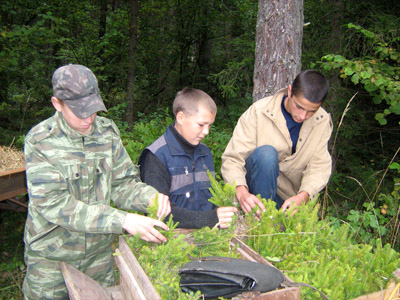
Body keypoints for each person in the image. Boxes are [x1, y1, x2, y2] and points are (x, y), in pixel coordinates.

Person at [22, 64, 171, 300]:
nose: (88, 118)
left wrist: (149, 196)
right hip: (52, 259)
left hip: (98, 259)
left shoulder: (106, 134)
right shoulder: (41, 141)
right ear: (56, 103)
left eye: (92, 110)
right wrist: (122, 219)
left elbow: (122, 184)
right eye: (79, 111)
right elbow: (53, 204)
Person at [221, 69, 332, 215]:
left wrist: (303, 196)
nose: (303, 115)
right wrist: (240, 191)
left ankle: (277, 219)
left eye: (312, 111)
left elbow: (318, 167)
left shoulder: (321, 121)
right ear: (290, 91)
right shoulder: (259, 112)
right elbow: (233, 158)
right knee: (266, 154)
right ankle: (262, 220)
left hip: (289, 198)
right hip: (253, 191)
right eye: (299, 106)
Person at [139, 88, 238, 229]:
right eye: (201, 125)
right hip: (171, 240)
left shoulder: (205, 153)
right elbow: (158, 213)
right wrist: (209, 219)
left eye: (210, 125)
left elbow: (213, 199)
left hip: (207, 237)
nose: (206, 131)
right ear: (180, 118)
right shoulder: (156, 156)